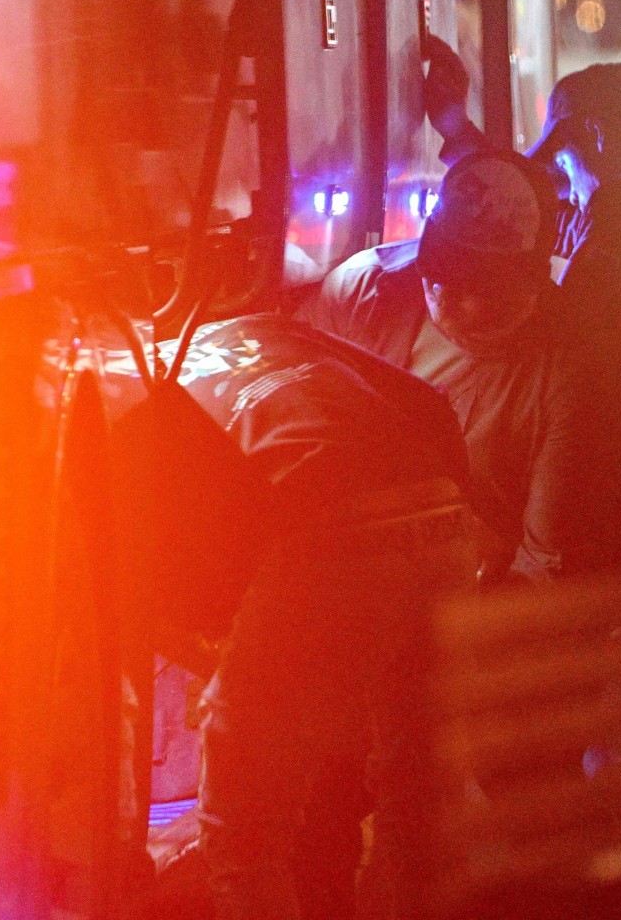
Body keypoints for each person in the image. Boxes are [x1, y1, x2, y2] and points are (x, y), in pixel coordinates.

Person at [179, 318, 474, 920]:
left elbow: (158, 563)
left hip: (327, 536)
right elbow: (427, 399)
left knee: (245, 827)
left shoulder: (115, 375)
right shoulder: (265, 325)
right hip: (441, 513)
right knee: (415, 791)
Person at [425, 46, 621, 567]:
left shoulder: (617, 245)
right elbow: (530, 212)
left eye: (562, 153)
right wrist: (460, 134)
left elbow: (545, 329)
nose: (560, 174)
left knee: (616, 646)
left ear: (593, 136)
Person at [305, 150, 621, 580]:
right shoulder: (363, 291)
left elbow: (546, 560)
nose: (463, 308)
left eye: (489, 291)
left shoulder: (576, 365)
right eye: (444, 282)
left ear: (535, 279)